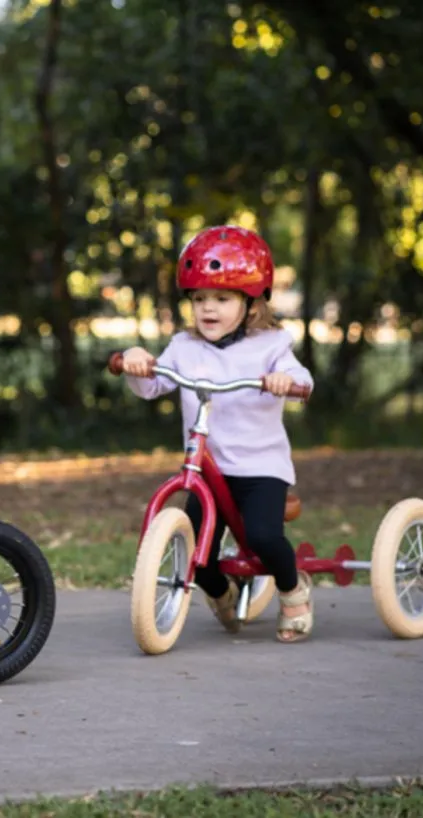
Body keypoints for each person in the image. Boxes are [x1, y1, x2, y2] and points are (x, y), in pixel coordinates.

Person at [119, 225, 315, 643]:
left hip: (261, 467)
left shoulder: (272, 345)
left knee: (263, 537)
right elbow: (154, 384)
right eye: (199, 299)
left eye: (222, 299)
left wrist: (285, 381)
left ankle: (292, 589)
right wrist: (138, 363)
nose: (208, 308)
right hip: (209, 471)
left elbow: (301, 379)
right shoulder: (185, 347)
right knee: (196, 553)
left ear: (251, 302)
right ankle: (222, 591)